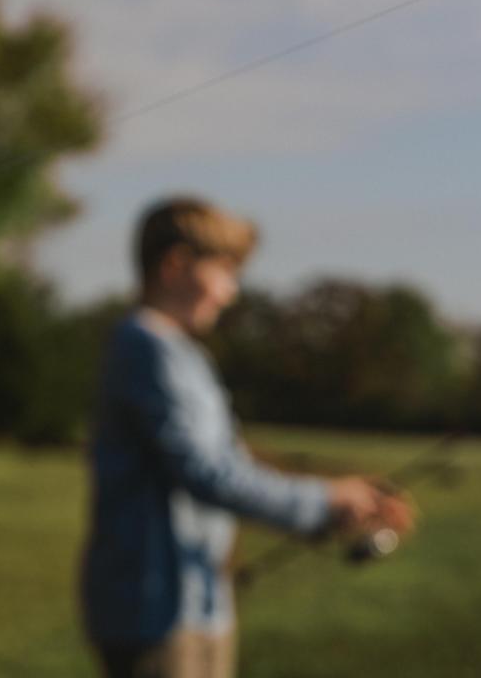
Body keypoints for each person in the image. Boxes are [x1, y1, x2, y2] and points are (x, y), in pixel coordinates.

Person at [81, 196, 414, 678]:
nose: (230, 293)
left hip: (200, 603)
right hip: (153, 611)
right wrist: (323, 501)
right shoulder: (145, 348)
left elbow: (232, 464)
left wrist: (337, 500)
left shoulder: (183, 355)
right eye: (224, 273)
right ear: (176, 265)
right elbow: (208, 475)